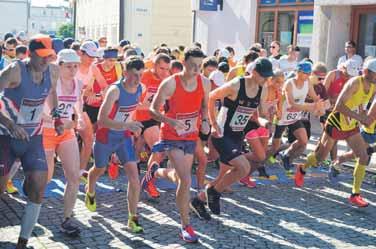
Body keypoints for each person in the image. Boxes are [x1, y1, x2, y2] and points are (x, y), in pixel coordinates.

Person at [0, 34, 62, 249]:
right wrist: (10, 125)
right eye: (42, 57)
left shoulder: (53, 71)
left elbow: (53, 93)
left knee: (38, 186)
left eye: (50, 56)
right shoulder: (15, 71)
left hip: (33, 138)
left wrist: (58, 117)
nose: (46, 61)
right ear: (30, 54)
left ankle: (23, 242)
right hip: (5, 138)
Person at [141, 47, 210, 243]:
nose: (196, 69)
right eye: (192, 65)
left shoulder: (204, 82)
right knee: (186, 181)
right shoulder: (170, 83)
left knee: (181, 178)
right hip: (171, 135)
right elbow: (153, 110)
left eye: (200, 66)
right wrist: (171, 121)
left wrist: (206, 120)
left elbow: (205, 105)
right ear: (184, 63)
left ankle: (154, 172)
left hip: (190, 135)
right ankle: (185, 225)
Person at [297, 59, 376, 208]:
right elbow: (339, 106)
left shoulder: (373, 86)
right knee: (320, 157)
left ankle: (355, 194)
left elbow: (361, 103)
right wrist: (360, 117)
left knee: (364, 155)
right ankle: (302, 167)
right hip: (336, 123)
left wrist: (363, 113)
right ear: (366, 72)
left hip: (351, 125)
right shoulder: (354, 83)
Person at [204, 58, 273, 216]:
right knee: (244, 168)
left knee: (224, 175)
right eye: (264, 76)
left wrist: (265, 122)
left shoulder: (262, 89)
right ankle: (214, 193)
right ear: (254, 72)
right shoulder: (237, 84)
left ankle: (199, 201)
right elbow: (212, 96)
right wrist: (213, 123)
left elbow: (256, 115)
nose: (266, 79)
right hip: (222, 133)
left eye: (268, 76)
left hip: (237, 134)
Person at [85, 56, 145, 233]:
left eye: (141, 75)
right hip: (105, 137)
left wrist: (134, 127)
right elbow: (101, 120)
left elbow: (129, 113)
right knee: (99, 169)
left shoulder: (139, 88)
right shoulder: (115, 91)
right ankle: (90, 189)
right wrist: (128, 125)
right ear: (125, 73)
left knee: (134, 178)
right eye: (134, 75)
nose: (138, 79)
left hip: (123, 138)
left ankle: (132, 218)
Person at [42, 49, 84, 236]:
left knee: (74, 176)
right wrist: (56, 122)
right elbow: (38, 111)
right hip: (46, 131)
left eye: (76, 66)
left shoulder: (78, 83)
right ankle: (32, 206)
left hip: (66, 133)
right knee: (46, 177)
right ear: (59, 66)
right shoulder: (50, 84)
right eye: (69, 66)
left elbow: (77, 106)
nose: (73, 70)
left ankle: (67, 218)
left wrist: (78, 119)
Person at [272, 62, 325, 173]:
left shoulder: (308, 83)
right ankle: (261, 162)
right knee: (274, 147)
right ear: (298, 72)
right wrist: (310, 107)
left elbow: (315, 98)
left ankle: (286, 155)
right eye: (305, 73)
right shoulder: (289, 84)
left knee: (303, 141)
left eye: (309, 73)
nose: (307, 76)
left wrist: (319, 107)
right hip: (282, 116)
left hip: (295, 117)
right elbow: (291, 104)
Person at [75, 41, 99, 182]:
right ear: (81, 53)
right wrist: (86, 92)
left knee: (89, 138)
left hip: (79, 107)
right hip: (63, 107)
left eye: (93, 57)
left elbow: (105, 87)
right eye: (89, 56)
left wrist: (96, 94)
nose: (91, 59)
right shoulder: (73, 66)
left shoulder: (93, 68)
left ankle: (80, 171)